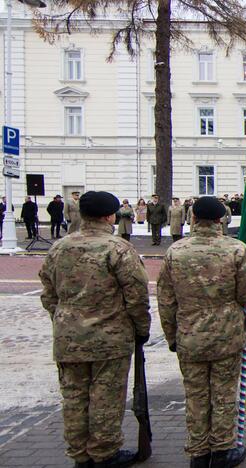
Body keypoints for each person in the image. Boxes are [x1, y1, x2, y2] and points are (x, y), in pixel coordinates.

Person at [39, 191, 151, 468]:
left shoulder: (59, 248)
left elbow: (48, 293)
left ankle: (80, 455)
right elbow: (136, 295)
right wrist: (141, 329)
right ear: (110, 216)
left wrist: (63, 319)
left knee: (74, 397)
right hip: (109, 338)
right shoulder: (118, 249)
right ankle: (104, 453)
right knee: (106, 398)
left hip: (68, 337)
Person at [157, 196, 246, 468]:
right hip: (227, 335)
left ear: (192, 218)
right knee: (224, 394)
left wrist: (171, 337)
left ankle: (199, 452)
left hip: (189, 335)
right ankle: (223, 450)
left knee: (196, 395)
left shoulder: (176, 252)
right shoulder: (236, 250)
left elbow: (166, 300)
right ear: (220, 220)